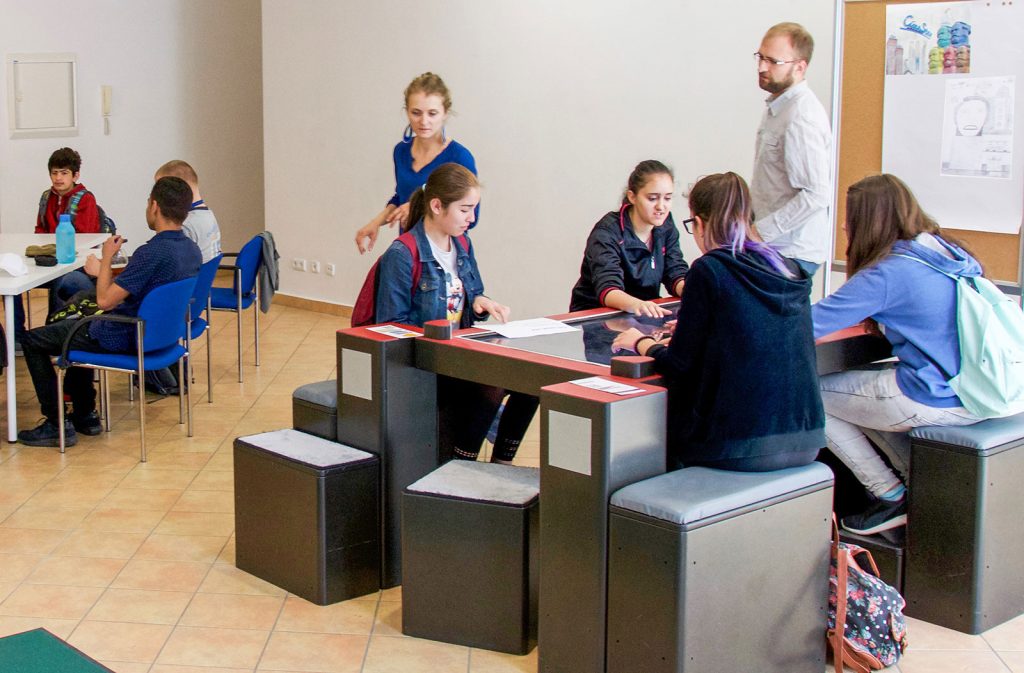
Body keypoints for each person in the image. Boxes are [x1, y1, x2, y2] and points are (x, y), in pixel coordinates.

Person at [612, 172, 824, 472]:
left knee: (649, 439)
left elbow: (679, 365)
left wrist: (642, 342)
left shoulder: (709, 270)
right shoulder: (787, 268)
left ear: (699, 223)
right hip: (807, 440)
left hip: (738, 446)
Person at [813, 174, 985, 535]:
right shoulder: (946, 253)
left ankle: (889, 494)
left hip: (936, 395)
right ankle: (911, 484)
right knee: (860, 391)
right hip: (978, 390)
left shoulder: (889, 272)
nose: (844, 226)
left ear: (870, 220)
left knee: (812, 395)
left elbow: (808, 324)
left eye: (850, 216)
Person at [17, 177, 202, 447]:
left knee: (33, 340)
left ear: (154, 206)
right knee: (77, 327)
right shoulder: (191, 250)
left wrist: (106, 260)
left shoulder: (151, 252)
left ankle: (56, 424)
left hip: (122, 335)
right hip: (160, 336)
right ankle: (85, 415)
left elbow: (105, 301)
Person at [375, 163, 517, 462]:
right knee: (490, 386)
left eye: (474, 209)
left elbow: (472, 293)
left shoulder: (462, 244)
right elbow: (390, 328)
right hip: (426, 363)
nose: (472, 218)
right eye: (465, 210)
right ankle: (462, 463)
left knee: (528, 383)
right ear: (437, 206)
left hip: (456, 355)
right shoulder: (402, 254)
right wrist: (440, 339)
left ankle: (501, 461)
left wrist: (482, 303)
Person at [355, 72, 477, 254]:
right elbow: (401, 197)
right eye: (416, 113)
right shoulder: (401, 151)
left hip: (443, 254)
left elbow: (470, 217)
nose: (424, 121)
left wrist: (418, 207)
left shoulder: (459, 157)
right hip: (409, 249)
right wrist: (375, 223)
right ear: (407, 112)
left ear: (445, 113)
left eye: (432, 113)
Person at [750, 22, 833, 278]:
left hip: (790, 252)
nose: (762, 67)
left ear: (800, 67)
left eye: (773, 61)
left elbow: (816, 194)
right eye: (761, 57)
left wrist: (759, 232)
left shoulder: (800, 116)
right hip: (774, 248)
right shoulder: (779, 107)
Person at [570, 160, 689, 316]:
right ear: (632, 197)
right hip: (598, 315)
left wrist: (690, 290)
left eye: (667, 198)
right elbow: (608, 288)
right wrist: (639, 306)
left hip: (642, 312)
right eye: (652, 198)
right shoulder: (607, 232)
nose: (661, 207)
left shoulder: (666, 225)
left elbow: (675, 270)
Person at [14, 148, 104, 340]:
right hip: (49, 262)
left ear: (75, 175)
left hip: (76, 267)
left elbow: (86, 239)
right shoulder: (46, 198)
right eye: (54, 173)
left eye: (64, 173)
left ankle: (52, 334)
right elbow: (40, 231)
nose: (58, 178)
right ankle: (17, 337)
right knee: (14, 278)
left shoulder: (85, 199)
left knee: (62, 280)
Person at [155, 160, 222, 263]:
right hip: (206, 272)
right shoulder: (208, 214)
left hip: (192, 272)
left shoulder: (186, 225)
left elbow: (172, 263)